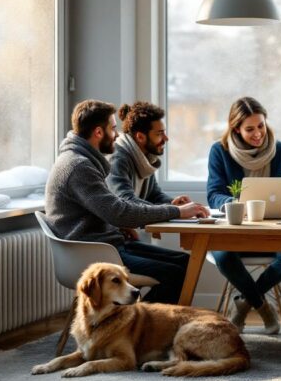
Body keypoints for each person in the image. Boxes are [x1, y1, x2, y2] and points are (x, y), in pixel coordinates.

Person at [44, 99, 209, 305]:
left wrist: (118, 225)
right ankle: (142, 328)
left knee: (186, 263)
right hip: (94, 254)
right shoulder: (78, 167)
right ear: (98, 132)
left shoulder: (81, 161)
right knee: (174, 273)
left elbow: (108, 210)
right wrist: (176, 211)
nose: (117, 135)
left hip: (109, 244)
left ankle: (141, 325)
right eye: (113, 129)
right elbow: (118, 211)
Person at [207, 96, 281, 335]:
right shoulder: (220, 151)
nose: (258, 133)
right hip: (237, 228)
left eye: (260, 125)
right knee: (223, 255)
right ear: (236, 129)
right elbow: (214, 194)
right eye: (249, 129)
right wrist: (239, 204)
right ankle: (262, 305)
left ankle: (245, 301)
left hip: (274, 229)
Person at [108, 101, 191, 206]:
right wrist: (175, 211)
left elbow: (153, 195)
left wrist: (172, 202)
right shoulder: (117, 159)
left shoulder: (145, 156)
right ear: (140, 137)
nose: (166, 138)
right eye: (159, 134)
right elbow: (127, 202)